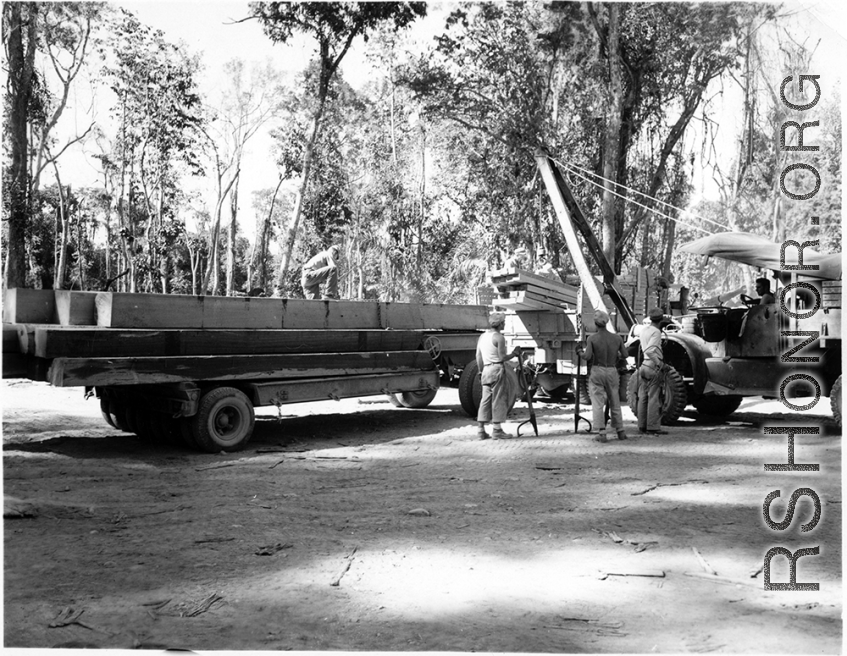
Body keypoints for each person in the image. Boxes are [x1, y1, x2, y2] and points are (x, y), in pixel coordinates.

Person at [576, 309, 629, 442]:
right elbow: (625, 355)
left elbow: (587, 356)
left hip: (597, 370)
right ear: (606, 322)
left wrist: (579, 352)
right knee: (615, 401)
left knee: (598, 402)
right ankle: (620, 431)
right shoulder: (617, 338)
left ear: (595, 323)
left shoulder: (592, 338)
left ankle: (602, 432)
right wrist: (616, 355)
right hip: (612, 370)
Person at [475, 313, 521, 440]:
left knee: (485, 400)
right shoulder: (499, 338)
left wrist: (480, 371)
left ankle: (480, 430)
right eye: (504, 322)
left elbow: (478, 356)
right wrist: (514, 353)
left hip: (486, 369)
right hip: (497, 369)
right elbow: (502, 357)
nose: (505, 323)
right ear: (500, 324)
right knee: (499, 399)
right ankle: (497, 430)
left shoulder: (482, 337)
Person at [637, 307, 668, 435]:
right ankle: (653, 427)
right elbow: (650, 350)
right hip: (652, 366)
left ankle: (642, 426)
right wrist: (660, 363)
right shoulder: (656, 332)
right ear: (660, 321)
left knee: (643, 397)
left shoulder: (644, 330)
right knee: (654, 397)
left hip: (644, 366)